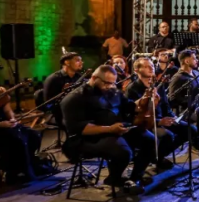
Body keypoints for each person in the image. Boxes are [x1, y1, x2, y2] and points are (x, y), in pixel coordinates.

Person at [60, 65, 155, 195]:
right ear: (94, 78)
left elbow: (130, 107)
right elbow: (80, 129)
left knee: (149, 139)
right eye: (106, 83)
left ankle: (135, 178)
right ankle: (114, 178)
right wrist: (110, 129)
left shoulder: (112, 91)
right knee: (123, 151)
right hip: (86, 139)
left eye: (113, 83)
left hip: (114, 130)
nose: (110, 86)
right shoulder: (75, 98)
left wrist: (146, 99)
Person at [124, 57, 192, 170]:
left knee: (190, 130)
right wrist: (159, 121)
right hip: (146, 123)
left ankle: (159, 155)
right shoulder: (132, 89)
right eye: (146, 66)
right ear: (136, 70)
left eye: (152, 65)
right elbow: (131, 114)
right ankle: (156, 158)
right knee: (167, 136)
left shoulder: (157, 86)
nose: (151, 68)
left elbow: (165, 105)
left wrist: (173, 117)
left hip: (162, 119)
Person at [0, 60, 42, 184]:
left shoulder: (1, 89)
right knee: (16, 139)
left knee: (33, 135)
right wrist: (0, 125)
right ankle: (18, 171)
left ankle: (13, 167)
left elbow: (8, 110)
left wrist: (12, 119)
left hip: (4, 125)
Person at [167, 50, 199, 138]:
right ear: (187, 61)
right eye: (194, 59)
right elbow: (172, 98)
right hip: (188, 111)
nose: (197, 61)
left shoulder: (197, 73)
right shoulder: (178, 78)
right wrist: (190, 101)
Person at [43, 52, 85, 128]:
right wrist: (63, 93)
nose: (81, 63)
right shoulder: (53, 79)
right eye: (78, 60)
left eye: (81, 60)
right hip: (60, 113)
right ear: (67, 62)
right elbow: (48, 104)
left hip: (76, 110)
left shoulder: (79, 77)